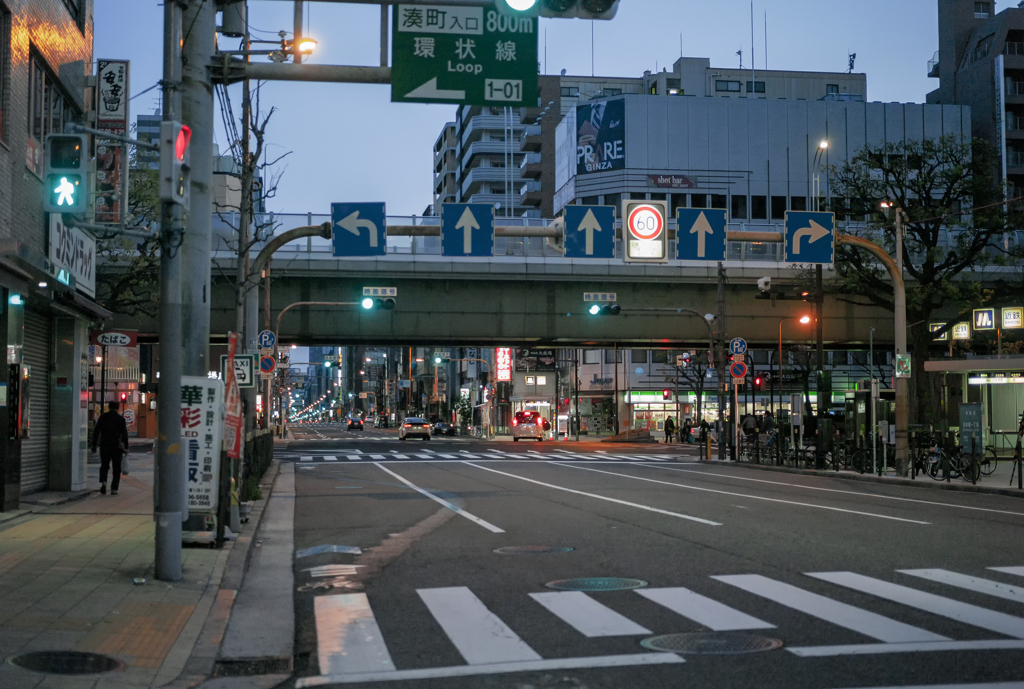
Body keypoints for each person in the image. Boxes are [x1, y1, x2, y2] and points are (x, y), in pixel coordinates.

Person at [92, 401, 129, 495]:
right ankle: (114, 488)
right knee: (116, 468)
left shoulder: (103, 417)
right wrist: (126, 446)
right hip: (116, 446)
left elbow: (96, 431)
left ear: (108, 407)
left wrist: (94, 445)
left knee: (104, 465)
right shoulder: (120, 419)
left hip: (104, 445)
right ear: (118, 408)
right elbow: (124, 434)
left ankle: (104, 482)